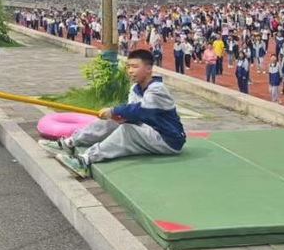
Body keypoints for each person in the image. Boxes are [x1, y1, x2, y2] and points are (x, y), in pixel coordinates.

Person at [41, 50, 186, 178]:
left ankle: (84, 161)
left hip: (169, 140)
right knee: (113, 121)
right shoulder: (135, 88)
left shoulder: (157, 89)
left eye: (135, 67)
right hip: (149, 131)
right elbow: (131, 112)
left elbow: (141, 110)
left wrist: (114, 111)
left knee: (127, 130)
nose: (130, 71)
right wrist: (117, 117)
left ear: (149, 69)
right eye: (128, 66)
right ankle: (70, 143)